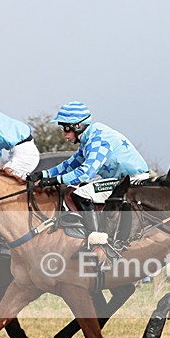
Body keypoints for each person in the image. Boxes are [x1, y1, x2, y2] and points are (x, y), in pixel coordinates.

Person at [28, 101, 150, 247]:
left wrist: (53, 181)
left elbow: (85, 173)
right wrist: (44, 174)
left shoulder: (98, 140)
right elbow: (70, 164)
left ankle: (97, 242)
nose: (63, 133)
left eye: (65, 128)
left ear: (78, 126)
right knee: (75, 188)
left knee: (81, 193)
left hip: (131, 181)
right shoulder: (89, 138)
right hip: (118, 178)